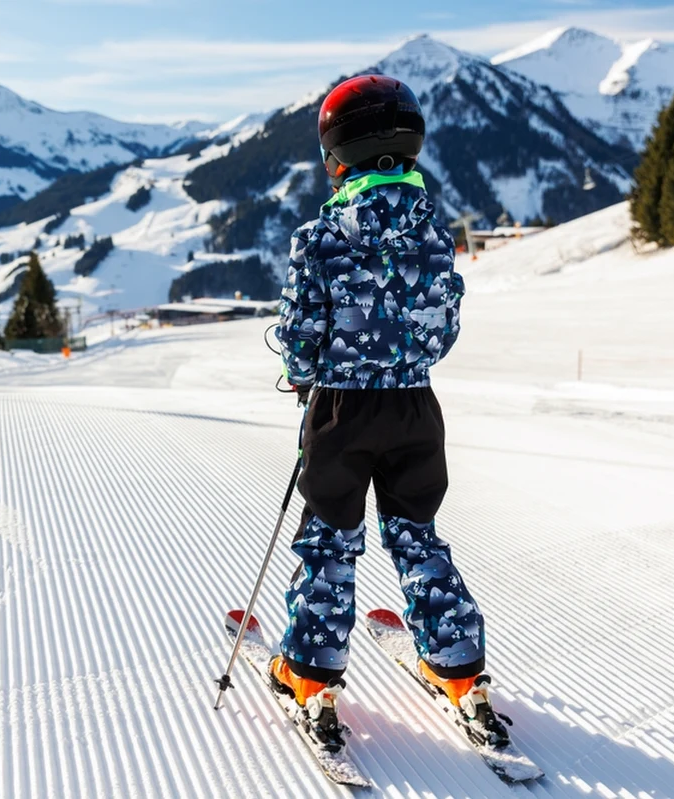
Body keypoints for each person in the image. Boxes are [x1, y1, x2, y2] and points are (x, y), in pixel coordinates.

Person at [271, 74, 500, 751]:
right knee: (417, 534)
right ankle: (458, 665)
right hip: (415, 410)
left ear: (336, 157)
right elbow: (441, 332)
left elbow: (300, 335)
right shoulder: (435, 236)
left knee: (331, 539)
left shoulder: (318, 238)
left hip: (342, 412)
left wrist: (304, 374)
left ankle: (310, 675)